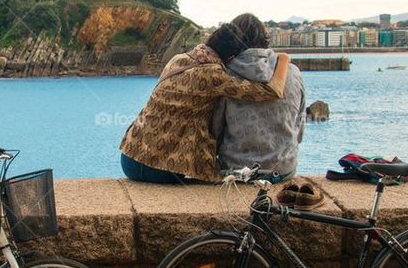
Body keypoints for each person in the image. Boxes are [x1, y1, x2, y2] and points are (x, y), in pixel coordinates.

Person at [119, 20, 290, 183]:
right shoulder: (213, 74)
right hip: (159, 168)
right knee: (232, 178)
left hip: (129, 157)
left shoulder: (178, 59)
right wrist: (283, 59)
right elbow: (271, 91)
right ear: (231, 56)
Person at [211, 14, 306, 181]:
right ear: (265, 39)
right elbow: (299, 127)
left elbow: (215, 130)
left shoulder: (224, 75)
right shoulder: (292, 71)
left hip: (236, 171)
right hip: (283, 169)